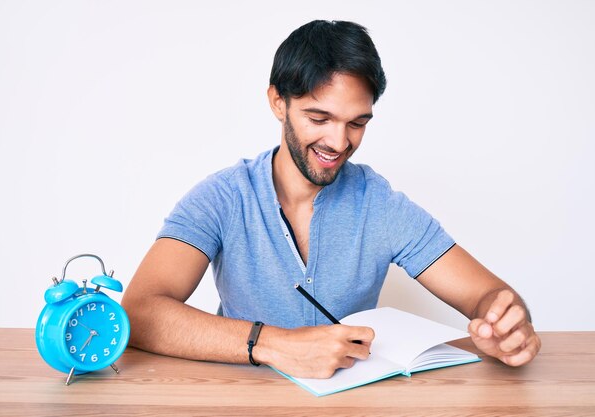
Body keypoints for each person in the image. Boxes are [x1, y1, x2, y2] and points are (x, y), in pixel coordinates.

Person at [121, 20, 541, 378]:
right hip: (243, 399)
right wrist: (275, 345)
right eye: (318, 118)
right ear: (277, 103)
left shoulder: (379, 202)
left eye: (357, 123)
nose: (338, 143)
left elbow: (487, 295)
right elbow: (139, 313)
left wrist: (506, 324)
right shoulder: (220, 198)